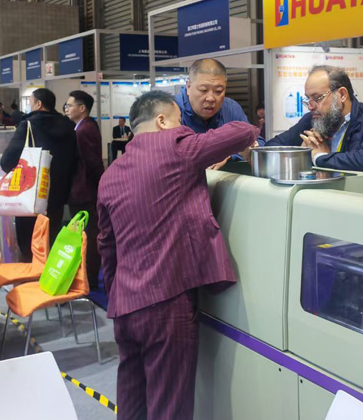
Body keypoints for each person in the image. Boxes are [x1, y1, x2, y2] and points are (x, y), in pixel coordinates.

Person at [98, 91, 260, 420]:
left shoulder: (111, 174)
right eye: (178, 120)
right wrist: (190, 129)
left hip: (124, 306)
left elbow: (107, 246)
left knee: (132, 400)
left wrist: (118, 295)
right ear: (161, 121)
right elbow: (244, 131)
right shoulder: (177, 148)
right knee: (170, 405)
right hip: (166, 303)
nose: (182, 126)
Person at [266, 65, 363, 172]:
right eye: (308, 99)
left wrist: (320, 157)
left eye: (317, 98)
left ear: (342, 94)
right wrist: (301, 152)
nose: (310, 107)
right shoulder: (314, 119)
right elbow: (272, 147)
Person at [0, 88, 77, 255]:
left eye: (31, 102)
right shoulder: (69, 126)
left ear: (39, 104)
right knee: (51, 239)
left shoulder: (28, 125)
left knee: (30, 245)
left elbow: (6, 162)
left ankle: (32, 270)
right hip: (58, 195)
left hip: (32, 195)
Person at [64, 90, 104, 289]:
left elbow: (92, 163)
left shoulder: (84, 130)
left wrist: (101, 186)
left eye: (69, 105)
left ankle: (89, 278)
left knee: (88, 236)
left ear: (81, 108)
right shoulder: (82, 127)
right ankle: (86, 276)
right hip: (84, 191)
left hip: (85, 192)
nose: (66, 109)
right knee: (84, 235)